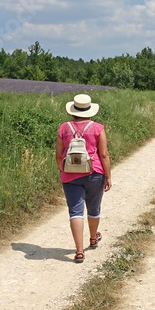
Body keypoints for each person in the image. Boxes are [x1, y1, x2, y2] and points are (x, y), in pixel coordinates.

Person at [56, 93, 112, 263]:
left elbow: (59, 155)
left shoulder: (64, 128)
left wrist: (64, 170)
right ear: (90, 110)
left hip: (70, 175)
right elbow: (103, 154)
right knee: (94, 207)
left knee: (75, 212)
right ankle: (93, 238)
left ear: (73, 110)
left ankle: (79, 251)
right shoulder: (97, 128)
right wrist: (108, 176)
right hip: (94, 172)